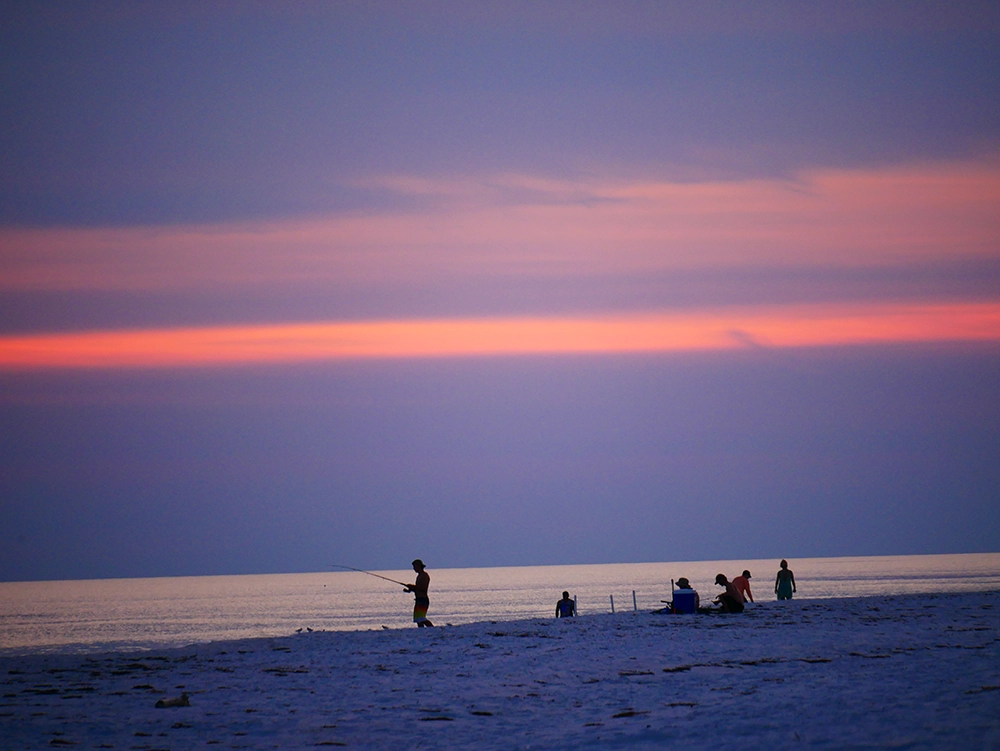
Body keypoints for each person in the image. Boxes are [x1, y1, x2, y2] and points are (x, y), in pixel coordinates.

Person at [404, 559, 434, 627]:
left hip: (423, 600)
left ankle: (432, 629)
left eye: (414, 566)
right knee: (418, 619)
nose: (414, 568)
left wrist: (412, 586)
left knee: (421, 618)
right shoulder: (419, 576)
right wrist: (410, 589)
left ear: (419, 566)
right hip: (418, 599)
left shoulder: (424, 575)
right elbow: (418, 588)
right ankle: (421, 631)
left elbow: (423, 588)